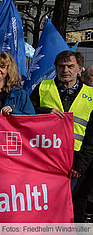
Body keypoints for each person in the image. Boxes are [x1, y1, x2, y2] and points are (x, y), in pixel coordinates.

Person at [29, 50, 93, 222]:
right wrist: (46, 112)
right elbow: (27, 114)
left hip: (76, 160)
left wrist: (79, 166)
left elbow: (92, 138)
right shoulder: (43, 88)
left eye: (70, 66)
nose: (66, 70)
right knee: (45, 204)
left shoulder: (91, 95)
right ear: (56, 68)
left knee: (75, 206)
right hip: (45, 157)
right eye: (61, 66)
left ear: (80, 69)